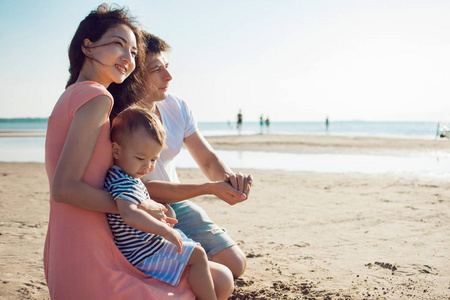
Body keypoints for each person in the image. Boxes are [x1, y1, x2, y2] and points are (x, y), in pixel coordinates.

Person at [44, 4, 197, 299]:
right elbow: (63, 188)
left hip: (67, 243)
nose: (128, 58)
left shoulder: (71, 95)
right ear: (87, 47)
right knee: (214, 281)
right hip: (88, 249)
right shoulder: (97, 98)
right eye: (118, 45)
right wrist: (137, 207)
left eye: (133, 52)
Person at [133, 31, 253, 279]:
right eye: (156, 69)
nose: (168, 76)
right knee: (217, 275)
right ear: (135, 75)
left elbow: (207, 159)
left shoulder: (177, 107)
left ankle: (192, 259)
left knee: (236, 264)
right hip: (142, 208)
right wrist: (209, 188)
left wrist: (230, 181)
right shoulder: (123, 119)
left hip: (176, 200)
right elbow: (143, 188)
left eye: (167, 66)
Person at [105, 106, 221, 300]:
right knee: (199, 255)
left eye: (154, 159)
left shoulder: (121, 176)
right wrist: (166, 231)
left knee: (194, 250)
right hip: (143, 252)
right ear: (116, 150)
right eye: (141, 158)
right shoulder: (124, 182)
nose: (148, 166)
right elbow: (129, 213)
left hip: (144, 246)